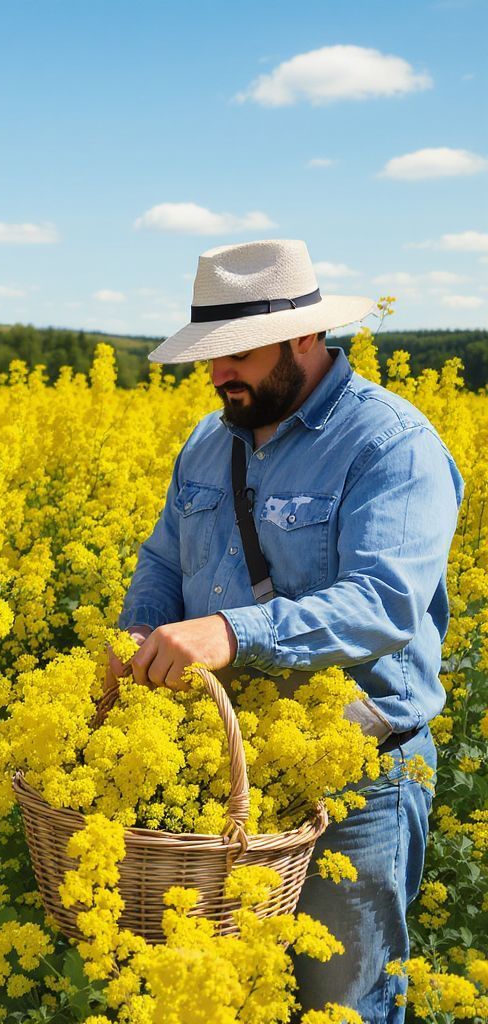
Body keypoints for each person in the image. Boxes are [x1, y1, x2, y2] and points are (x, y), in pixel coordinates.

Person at [107, 240, 462, 1021]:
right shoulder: (209, 442)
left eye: (236, 354)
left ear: (303, 337)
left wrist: (233, 634)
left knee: (342, 1001)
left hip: (356, 779)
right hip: (229, 775)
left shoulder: (390, 445)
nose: (217, 374)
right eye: (210, 355)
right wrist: (139, 631)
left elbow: (384, 602)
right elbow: (163, 559)